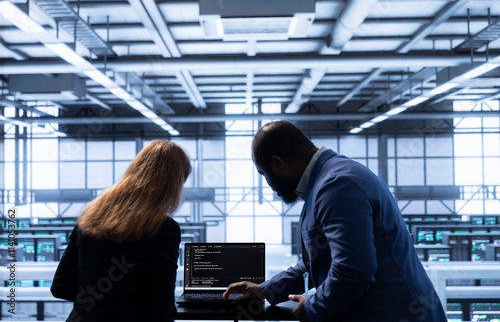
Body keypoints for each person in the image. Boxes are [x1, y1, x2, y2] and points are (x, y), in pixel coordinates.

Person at [223, 121, 447, 322]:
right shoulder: (329, 180)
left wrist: (312, 307)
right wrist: (265, 290)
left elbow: (353, 270)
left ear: (278, 163)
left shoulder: (337, 185)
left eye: (264, 175)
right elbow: (317, 262)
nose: (269, 186)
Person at [51, 141, 191, 322]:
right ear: (171, 185)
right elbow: (160, 306)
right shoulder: (163, 228)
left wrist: (100, 302)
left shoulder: (90, 216)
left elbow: (61, 287)